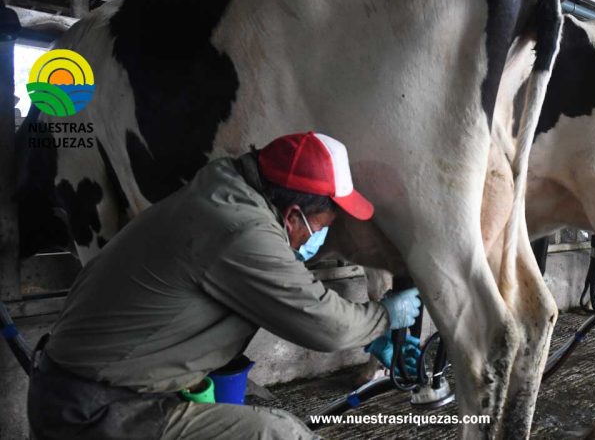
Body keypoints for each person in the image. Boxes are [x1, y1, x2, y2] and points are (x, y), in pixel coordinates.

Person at [27, 132, 422, 439]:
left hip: (84, 388)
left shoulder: (224, 193)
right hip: (92, 411)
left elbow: (287, 298)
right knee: (278, 433)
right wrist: (384, 316)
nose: (316, 240)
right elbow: (325, 324)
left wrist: (369, 334)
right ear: (293, 215)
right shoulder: (240, 230)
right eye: (320, 228)